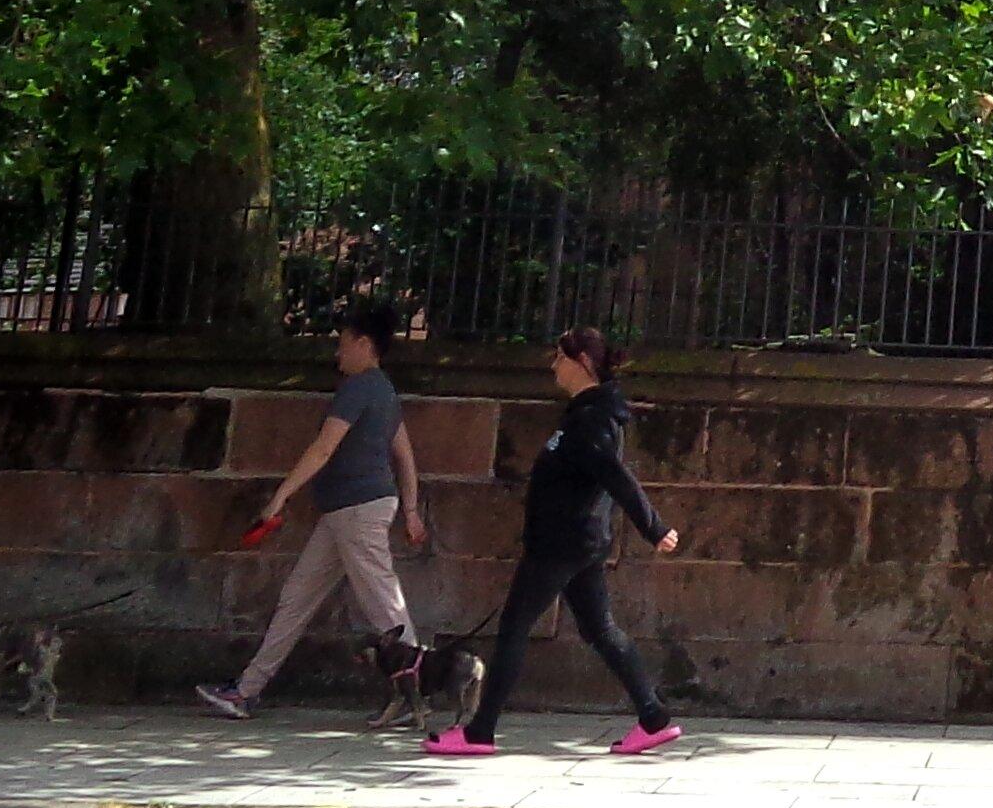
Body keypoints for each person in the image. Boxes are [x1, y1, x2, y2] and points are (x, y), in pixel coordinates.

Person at [428, 323, 685, 757]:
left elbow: (616, 477)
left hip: (562, 543)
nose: (553, 366)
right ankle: (654, 718)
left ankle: (480, 732)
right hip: (575, 541)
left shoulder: (591, 420)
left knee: (513, 628)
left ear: (582, 362)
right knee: (599, 628)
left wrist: (654, 527)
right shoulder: (585, 414)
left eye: (559, 357)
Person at [198, 296, 428, 719]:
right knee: (298, 598)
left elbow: (323, 449)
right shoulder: (385, 392)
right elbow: (406, 457)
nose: (337, 352)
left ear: (362, 343)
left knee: (385, 608)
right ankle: (247, 690)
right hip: (350, 512)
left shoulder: (359, 388)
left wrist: (279, 497)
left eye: (342, 343)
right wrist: (411, 510)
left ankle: (415, 696)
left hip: (356, 511)